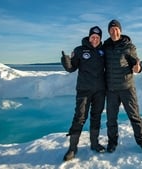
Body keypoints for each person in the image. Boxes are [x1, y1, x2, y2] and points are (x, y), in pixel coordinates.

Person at [103, 19, 142, 153]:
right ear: (109, 31)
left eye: (116, 29)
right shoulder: (105, 46)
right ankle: (112, 142)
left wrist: (138, 68)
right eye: (111, 29)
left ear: (120, 30)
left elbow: (137, 66)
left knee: (134, 116)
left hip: (127, 88)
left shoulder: (129, 46)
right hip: (111, 89)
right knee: (111, 119)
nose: (114, 31)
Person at [61, 26, 106, 161]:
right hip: (84, 90)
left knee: (96, 116)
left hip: (100, 90)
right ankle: (72, 148)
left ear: (100, 39)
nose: (95, 39)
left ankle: (94, 143)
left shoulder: (103, 51)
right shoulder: (79, 50)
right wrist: (66, 61)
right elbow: (71, 68)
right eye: (93, 37)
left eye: (97, 37)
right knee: (79, 117)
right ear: (89, 37)